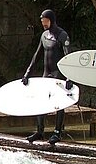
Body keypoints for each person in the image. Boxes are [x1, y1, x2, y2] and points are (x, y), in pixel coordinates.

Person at [23, 9, 73, 144]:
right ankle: (40, 131)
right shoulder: (44, 35)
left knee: (59, 103)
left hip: (58, 74)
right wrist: (28, 73)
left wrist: (69, 77)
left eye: (45, 21)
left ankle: (57, 132)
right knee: (41, 101)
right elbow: (37, 55)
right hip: (46, 73)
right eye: (42, 21)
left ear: (51, 20)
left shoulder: (62, 35)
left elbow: (69, 57)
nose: (43, 23)